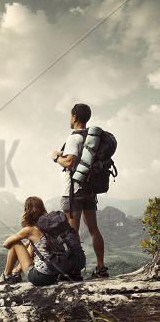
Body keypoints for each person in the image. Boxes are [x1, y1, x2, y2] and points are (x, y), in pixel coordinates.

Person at [51, 103, 108, 278]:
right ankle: (101, 268)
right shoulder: (92, 139)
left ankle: (73, 270)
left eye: (70, 115)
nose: (69, 118)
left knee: (71, 231)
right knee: (93, 228)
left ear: (75, 116)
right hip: (90, 189)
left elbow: (69, 162)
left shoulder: (74, 138)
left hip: (73, 190)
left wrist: (55, 158)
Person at [0, 196, 59, 287]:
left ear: (27, 211)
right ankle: (16, 272)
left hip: (40, 277)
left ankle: (6, 275)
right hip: (54, 275)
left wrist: (18, 247)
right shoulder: (49, 227)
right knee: (32, 245)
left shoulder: (30, 230)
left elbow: (6, 244)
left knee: (15, 243)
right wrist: (28, 243)